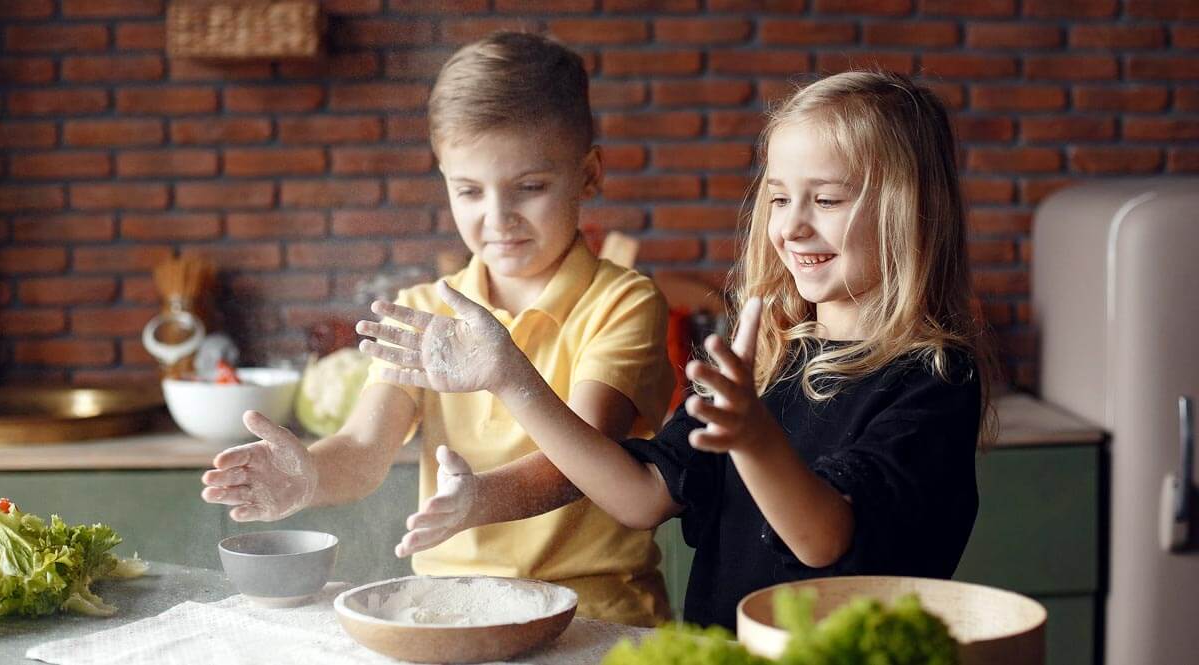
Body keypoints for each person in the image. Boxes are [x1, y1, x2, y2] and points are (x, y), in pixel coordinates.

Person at [357, 70, 996, 630]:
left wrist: (751, 435)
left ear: (906, 213)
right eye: (778, 197)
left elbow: (823, 540)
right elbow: (638, 497)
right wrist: (509, 377)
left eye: (826, 199)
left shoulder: (935, 380)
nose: (792, 225)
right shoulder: (764, 365)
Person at [200, 31, 676, 627]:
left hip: (598, 615)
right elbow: (364, 450)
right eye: (469, 190)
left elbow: (578, 465)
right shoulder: (422, 311)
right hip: (455, 612)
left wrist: (480, 497)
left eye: (529, 188)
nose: (497, 218)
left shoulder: (622, 301)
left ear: (588, 174)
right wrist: (310, 476)